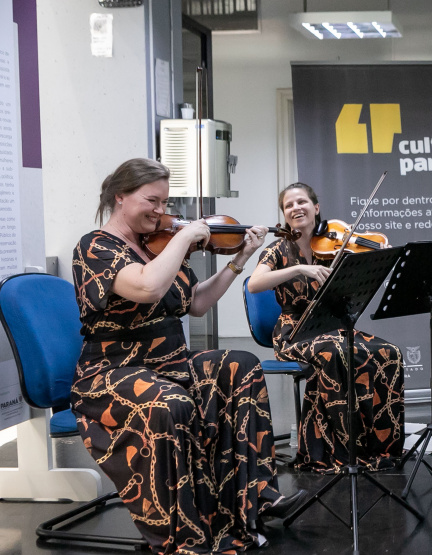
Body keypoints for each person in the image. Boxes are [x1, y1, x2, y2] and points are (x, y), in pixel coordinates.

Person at [70, 158, 306, 554]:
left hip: (169, 361)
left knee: (240, 365)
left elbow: (195, 303)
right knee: (170, 402)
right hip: (112, 370)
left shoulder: (156, 245)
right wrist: (185, 238)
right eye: (152, 201)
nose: (161, 212)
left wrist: (240, 258)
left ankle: (256, 497)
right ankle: (185, 532)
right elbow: (146, 288)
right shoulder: (96, 246)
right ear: (120, 197)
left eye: (165, 203)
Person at [247, 182, 405, 473]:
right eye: (289, 205)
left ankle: (381, 447)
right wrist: (299, 268)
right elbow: (255, 284)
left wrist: (375, 255)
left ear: (316, 208)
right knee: (336, 353)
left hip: (331, 326)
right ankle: (340, 452)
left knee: (388, 352)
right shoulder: (278, 249)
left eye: (302, 202)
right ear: (283, 213)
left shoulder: (335, 246)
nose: (296, 208)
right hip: (295, 331)